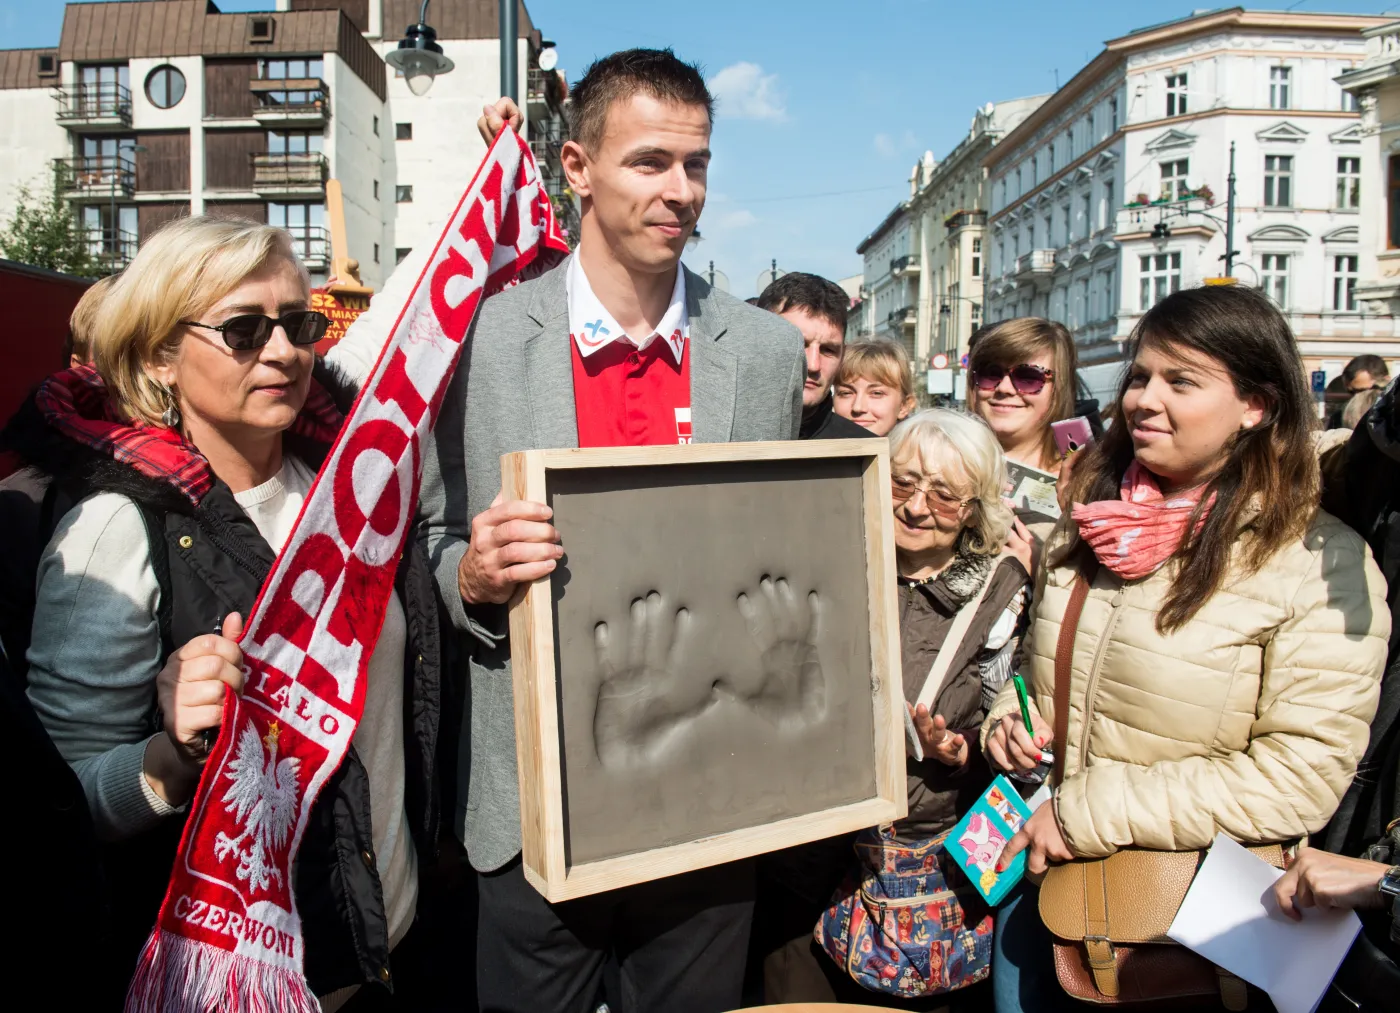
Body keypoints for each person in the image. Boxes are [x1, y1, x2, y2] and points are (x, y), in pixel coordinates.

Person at [354, 48, 802, 1013]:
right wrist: (471, 577)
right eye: (649, 162)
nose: (680, 191)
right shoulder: (476, 337)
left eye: (697, 165)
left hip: (711, 803)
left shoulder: (765, 352)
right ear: (577, 168)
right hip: (533, 806)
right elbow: (428, 537)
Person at [14, 216, 445, 1008]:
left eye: (299, 323)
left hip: (393, 948)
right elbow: (62, 801)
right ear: (159, 356)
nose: (283, 352)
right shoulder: (116, 527)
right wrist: (174, 755)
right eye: (244, 330)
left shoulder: (349, 484)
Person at [979, 284, 1389, 1013]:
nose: (1143, 398)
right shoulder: (1092, 526)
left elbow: (1299, 775)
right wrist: (1008, 725)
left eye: (1181, 380)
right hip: (1035, 891)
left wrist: (1089, 811)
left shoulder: (1315, 566)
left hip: (1177, 938)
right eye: (1140, 375)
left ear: (1257, 404)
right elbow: (1039, 676)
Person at [763, 409, 1029, 1006]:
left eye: (944, 496)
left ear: (977, 508)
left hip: (917, 861)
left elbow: (1012, 725)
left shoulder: (1002, 594)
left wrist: (957, 751)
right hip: (808, 847)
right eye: (902, 483)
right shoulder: (825, 562)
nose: (914, 507)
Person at [754, 272, 870, 440]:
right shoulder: (713, 437)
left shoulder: (864, 454)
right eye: (799, 345)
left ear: (842, 355)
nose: (813, 365)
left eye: (828, 350)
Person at [967, 318, 1078, 476]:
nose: (1004, 388)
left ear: (1059, 387)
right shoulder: (937, 463)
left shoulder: (1089, 478)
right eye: (991, 373)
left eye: (1028, 377)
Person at [832, 340, 918, 437]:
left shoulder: (927, 450)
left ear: (904, 406)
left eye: (876, 393)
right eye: (846, 393)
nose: (858, 407)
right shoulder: (814, 447)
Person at [1328, 354, 1391, 430]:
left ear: (1386, 381)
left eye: (1362, 391)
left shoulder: (1393, 415)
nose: (1355, 398)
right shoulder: (1337, 419)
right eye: (1351, 392)